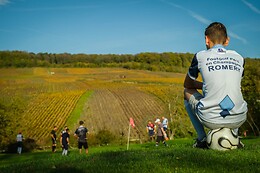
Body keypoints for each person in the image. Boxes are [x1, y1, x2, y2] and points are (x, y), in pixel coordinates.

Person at [183, 22, 247, 149]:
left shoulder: (200, 56)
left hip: (211, 119)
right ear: (227, 40)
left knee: (187, 91)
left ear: (207, 39)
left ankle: (202, 139)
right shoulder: (239, 58)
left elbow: (188, 84)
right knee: (234, 89)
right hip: (239, 118)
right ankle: (235, 136)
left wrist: (205, 84)